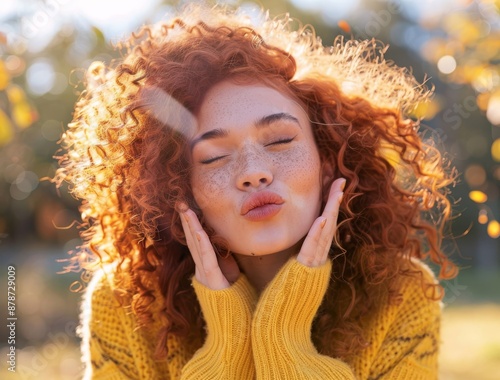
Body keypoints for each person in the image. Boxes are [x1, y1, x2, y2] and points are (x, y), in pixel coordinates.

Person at [54, 4, 458, 379]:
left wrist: (283, 338)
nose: (253, 173)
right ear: (179, 188)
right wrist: (227, 347)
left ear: (328, 162)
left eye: (280, 140)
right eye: (213, 158)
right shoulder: (125, 303)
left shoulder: (400, 295)